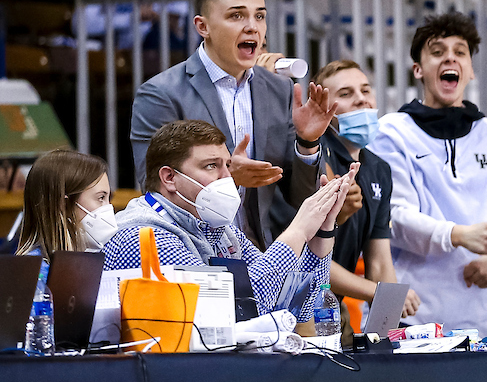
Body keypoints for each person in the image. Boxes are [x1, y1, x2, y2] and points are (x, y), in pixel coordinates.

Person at [131, 0, 337, 249]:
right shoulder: (161, 94)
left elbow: (300, 196)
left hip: (260, 253)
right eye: (236, 15)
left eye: (260, 16)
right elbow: (153, 187)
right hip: (191, 250)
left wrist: (307, 143)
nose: (252, 26)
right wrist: (226, 178)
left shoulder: (280, 90)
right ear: (203, 27)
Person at [371, 13, 487, 341]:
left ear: (470, 70)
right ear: (418, 69)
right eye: (437, 51)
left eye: (460, 52)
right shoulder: (391, 131)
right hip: (413, 317)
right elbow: (394, 219)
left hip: (485, 319)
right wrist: (457, 235)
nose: (450, 57)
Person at [105, 120, 349, 324]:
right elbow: (233, 313)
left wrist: (322, 233)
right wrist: (297, 232)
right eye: (212, 166)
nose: (227, 178)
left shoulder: (220, 230)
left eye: (228, 166)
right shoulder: (142, 234)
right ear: (169, 178)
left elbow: (299, 308)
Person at [309, 60, 419, 318]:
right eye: (346, 94)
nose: (361, 100)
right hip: (295, 308)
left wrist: (389, 325)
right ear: (325, 108)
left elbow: (380, 260)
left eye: (366, 90)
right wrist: (378, 292)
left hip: (332, 309)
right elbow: (309, 257)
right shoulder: (312, 156)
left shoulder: (378, 169)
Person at [17, 150, 116, 255]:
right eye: (101, 198)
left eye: (108, 199)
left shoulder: (82, 259)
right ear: (64, 205)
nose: (109, 208)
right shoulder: (36, 268)